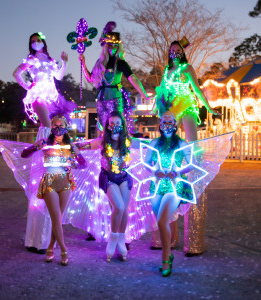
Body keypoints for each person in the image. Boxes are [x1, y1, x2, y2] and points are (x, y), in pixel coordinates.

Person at [152, 39, 220, 255]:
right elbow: (163, 92)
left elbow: (197, 90)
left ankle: (195, 162)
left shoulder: (187, 68)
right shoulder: (167, 70)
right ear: (169, 53)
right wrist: (157, 103)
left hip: (187, 105)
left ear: (182, 52)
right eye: (171, 50)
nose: (174, 52)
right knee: (165, 141)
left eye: (177, 49)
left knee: (193, 144)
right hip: (171, 108)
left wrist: (208, 107)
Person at [13, 32, 75, 253]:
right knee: (48, 128)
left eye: (38, 40)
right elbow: (17, 74)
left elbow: (58, 75)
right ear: (30, 45)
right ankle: (38, 240)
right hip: (40, 97)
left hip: (53, 97)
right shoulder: (30, 60)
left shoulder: (49, 60)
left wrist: (65, 62)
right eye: (32, 41)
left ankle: (43, 238)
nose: (36, 43)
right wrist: (29, 86)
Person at [21, 112, 86, 265]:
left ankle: (50, 247)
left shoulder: (71, 146)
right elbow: (24, 154)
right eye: (54, 125)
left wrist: (74, 162)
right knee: (56, 217)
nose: (57, 128)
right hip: (49, 181)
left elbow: (84, 164)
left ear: (66, 127)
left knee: (58, 218)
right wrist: (35, 146)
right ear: (51, 128)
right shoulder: (45, 142)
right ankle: (63, 250)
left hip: (65, 182)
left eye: (60, 125)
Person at [75, 111, 133, 262]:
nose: (114, 126)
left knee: (124, 210)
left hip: (124, 177)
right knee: (119, 207)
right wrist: (68, 146)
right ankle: (113, 238)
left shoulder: (127, 140)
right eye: (111, 123)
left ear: (122, 125)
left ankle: (121, 239)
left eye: (117, 124)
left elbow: (147, 144)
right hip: (109, 178)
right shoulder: (102, 142)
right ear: (107, 125)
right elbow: (81, 146)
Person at [79, 21, 151, 130]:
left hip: (115, 100)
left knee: (116, 127)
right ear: (106, 45)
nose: (112, 47)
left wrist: (144, 94)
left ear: (119, 46)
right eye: (110, 45)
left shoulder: (121, 62)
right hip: (101, 101)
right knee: (104, 129)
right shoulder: (100, 62)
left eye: (115, 45)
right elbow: (90, 79)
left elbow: (133, 79)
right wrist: (83, 64)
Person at [145, 111, 191, 276]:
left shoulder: (182, 144)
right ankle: (169, 254)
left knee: (162, 220)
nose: (167, 124)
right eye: (164, 121)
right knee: (160, 223)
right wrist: (154, 170)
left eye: (170, 121)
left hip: (174, 188)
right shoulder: (154, 142)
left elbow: (192, 163)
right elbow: (146, 163)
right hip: (156, 188)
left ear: (175, 124)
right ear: (160, 124)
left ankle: (165, 258)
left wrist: (178, 172)